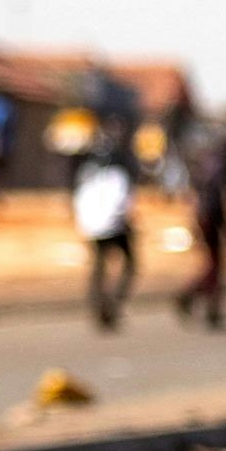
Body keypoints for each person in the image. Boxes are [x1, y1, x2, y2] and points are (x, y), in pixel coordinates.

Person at [176, 118, 226, 329]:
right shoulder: (225, 161)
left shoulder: (216, 159)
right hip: (211, 216)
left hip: (208, 215)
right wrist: (225, 222)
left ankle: (196, 300)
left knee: (214, 265)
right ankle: (209, 308)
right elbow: (217, 193)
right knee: (216, 266)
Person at [73, 131, 138, 331]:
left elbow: (79, 199)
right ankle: (111, 302)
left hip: (92, 226)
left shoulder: (87, 171)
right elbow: (122, 202)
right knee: (129, 264)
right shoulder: (117, 175)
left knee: (99, 265)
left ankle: (98, 303)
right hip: (112, 226)